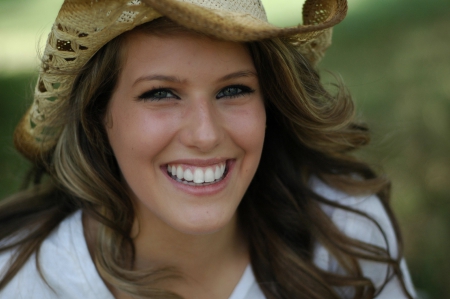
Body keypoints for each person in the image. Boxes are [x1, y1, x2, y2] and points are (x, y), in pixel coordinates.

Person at [0, 0, 416, 298]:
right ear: (97, 118)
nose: (205, 134)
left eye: (234, 90)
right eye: (161, 94)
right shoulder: (25, 280)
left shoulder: (346, 236)